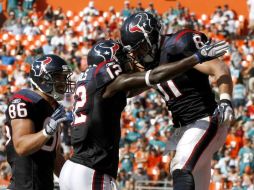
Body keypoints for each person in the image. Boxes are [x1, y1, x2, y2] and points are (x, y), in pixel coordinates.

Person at [59, 36, 228, 189]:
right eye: (123, 58)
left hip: (72, 168)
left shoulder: (89, 81)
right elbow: (153, 77)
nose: (128, 61)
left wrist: (171, 71)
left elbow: (146, 83)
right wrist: (195, 58)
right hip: (91, 169)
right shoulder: (108, 79)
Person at [120, 12, 234, 190]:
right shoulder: (149, 62)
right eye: (134, 51)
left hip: (205, 119)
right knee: (192, 183)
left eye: (141, 48)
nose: (138, 55)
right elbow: (132, 89)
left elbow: (219, 67)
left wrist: (226, 100)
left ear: (152, 37)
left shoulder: (177, 45)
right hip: (185, 127)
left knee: (179, 167)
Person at [5, 54, 75, 190]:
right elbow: (21, 146)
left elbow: (54, 157)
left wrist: (73, 182)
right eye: (58, 77)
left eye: (64, 78)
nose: (63, 82)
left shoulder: (53, 107)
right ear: (43, 79)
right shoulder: (24, 101)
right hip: (24, 186)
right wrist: (47, 131)